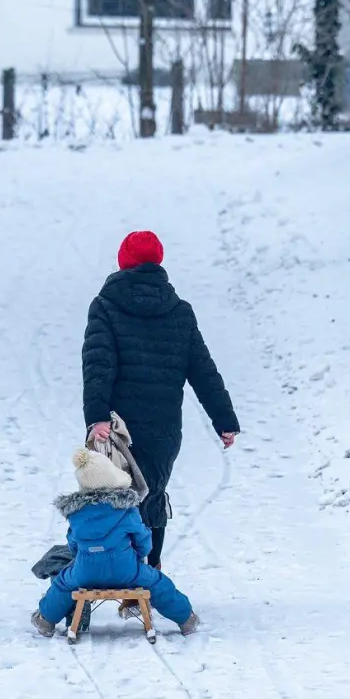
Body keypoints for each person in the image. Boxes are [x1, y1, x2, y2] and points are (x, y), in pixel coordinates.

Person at [82, 230, 240, 569]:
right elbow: (203, 370)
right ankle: (147, 574)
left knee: (113, 498)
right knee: (151, 494)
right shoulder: (179, 311)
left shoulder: (106, 306)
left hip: (116, 427)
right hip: (164, 429)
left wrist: (96, 417)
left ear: (123, 262)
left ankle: (119, 573)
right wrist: (224, 420)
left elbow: (98, 364)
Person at [32, 450, 198, 637]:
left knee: (62, 584)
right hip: (126, 570)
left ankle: (45, 620)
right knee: (158, 582)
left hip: (85, 572)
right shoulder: (125, 509)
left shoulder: (76, 514)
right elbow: (143, 539)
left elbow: (73, 544)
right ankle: (186, 619)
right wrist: (137, 556)